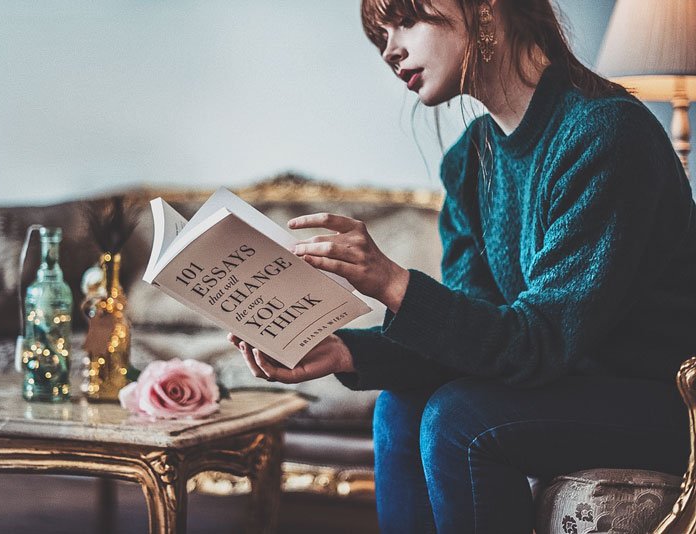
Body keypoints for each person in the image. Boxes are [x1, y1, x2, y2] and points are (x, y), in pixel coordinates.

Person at [228, 0, 696, 532]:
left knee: (459, 418)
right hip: (563, 385)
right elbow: (473, 335)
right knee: (400, 408)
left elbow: (538, 342)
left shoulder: (607, 133)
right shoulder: (470, 160)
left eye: (405, 20)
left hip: (665, 401)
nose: (389, 50)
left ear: (486, 10)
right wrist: (342, 350)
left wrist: (392, 281)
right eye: (380, 35)